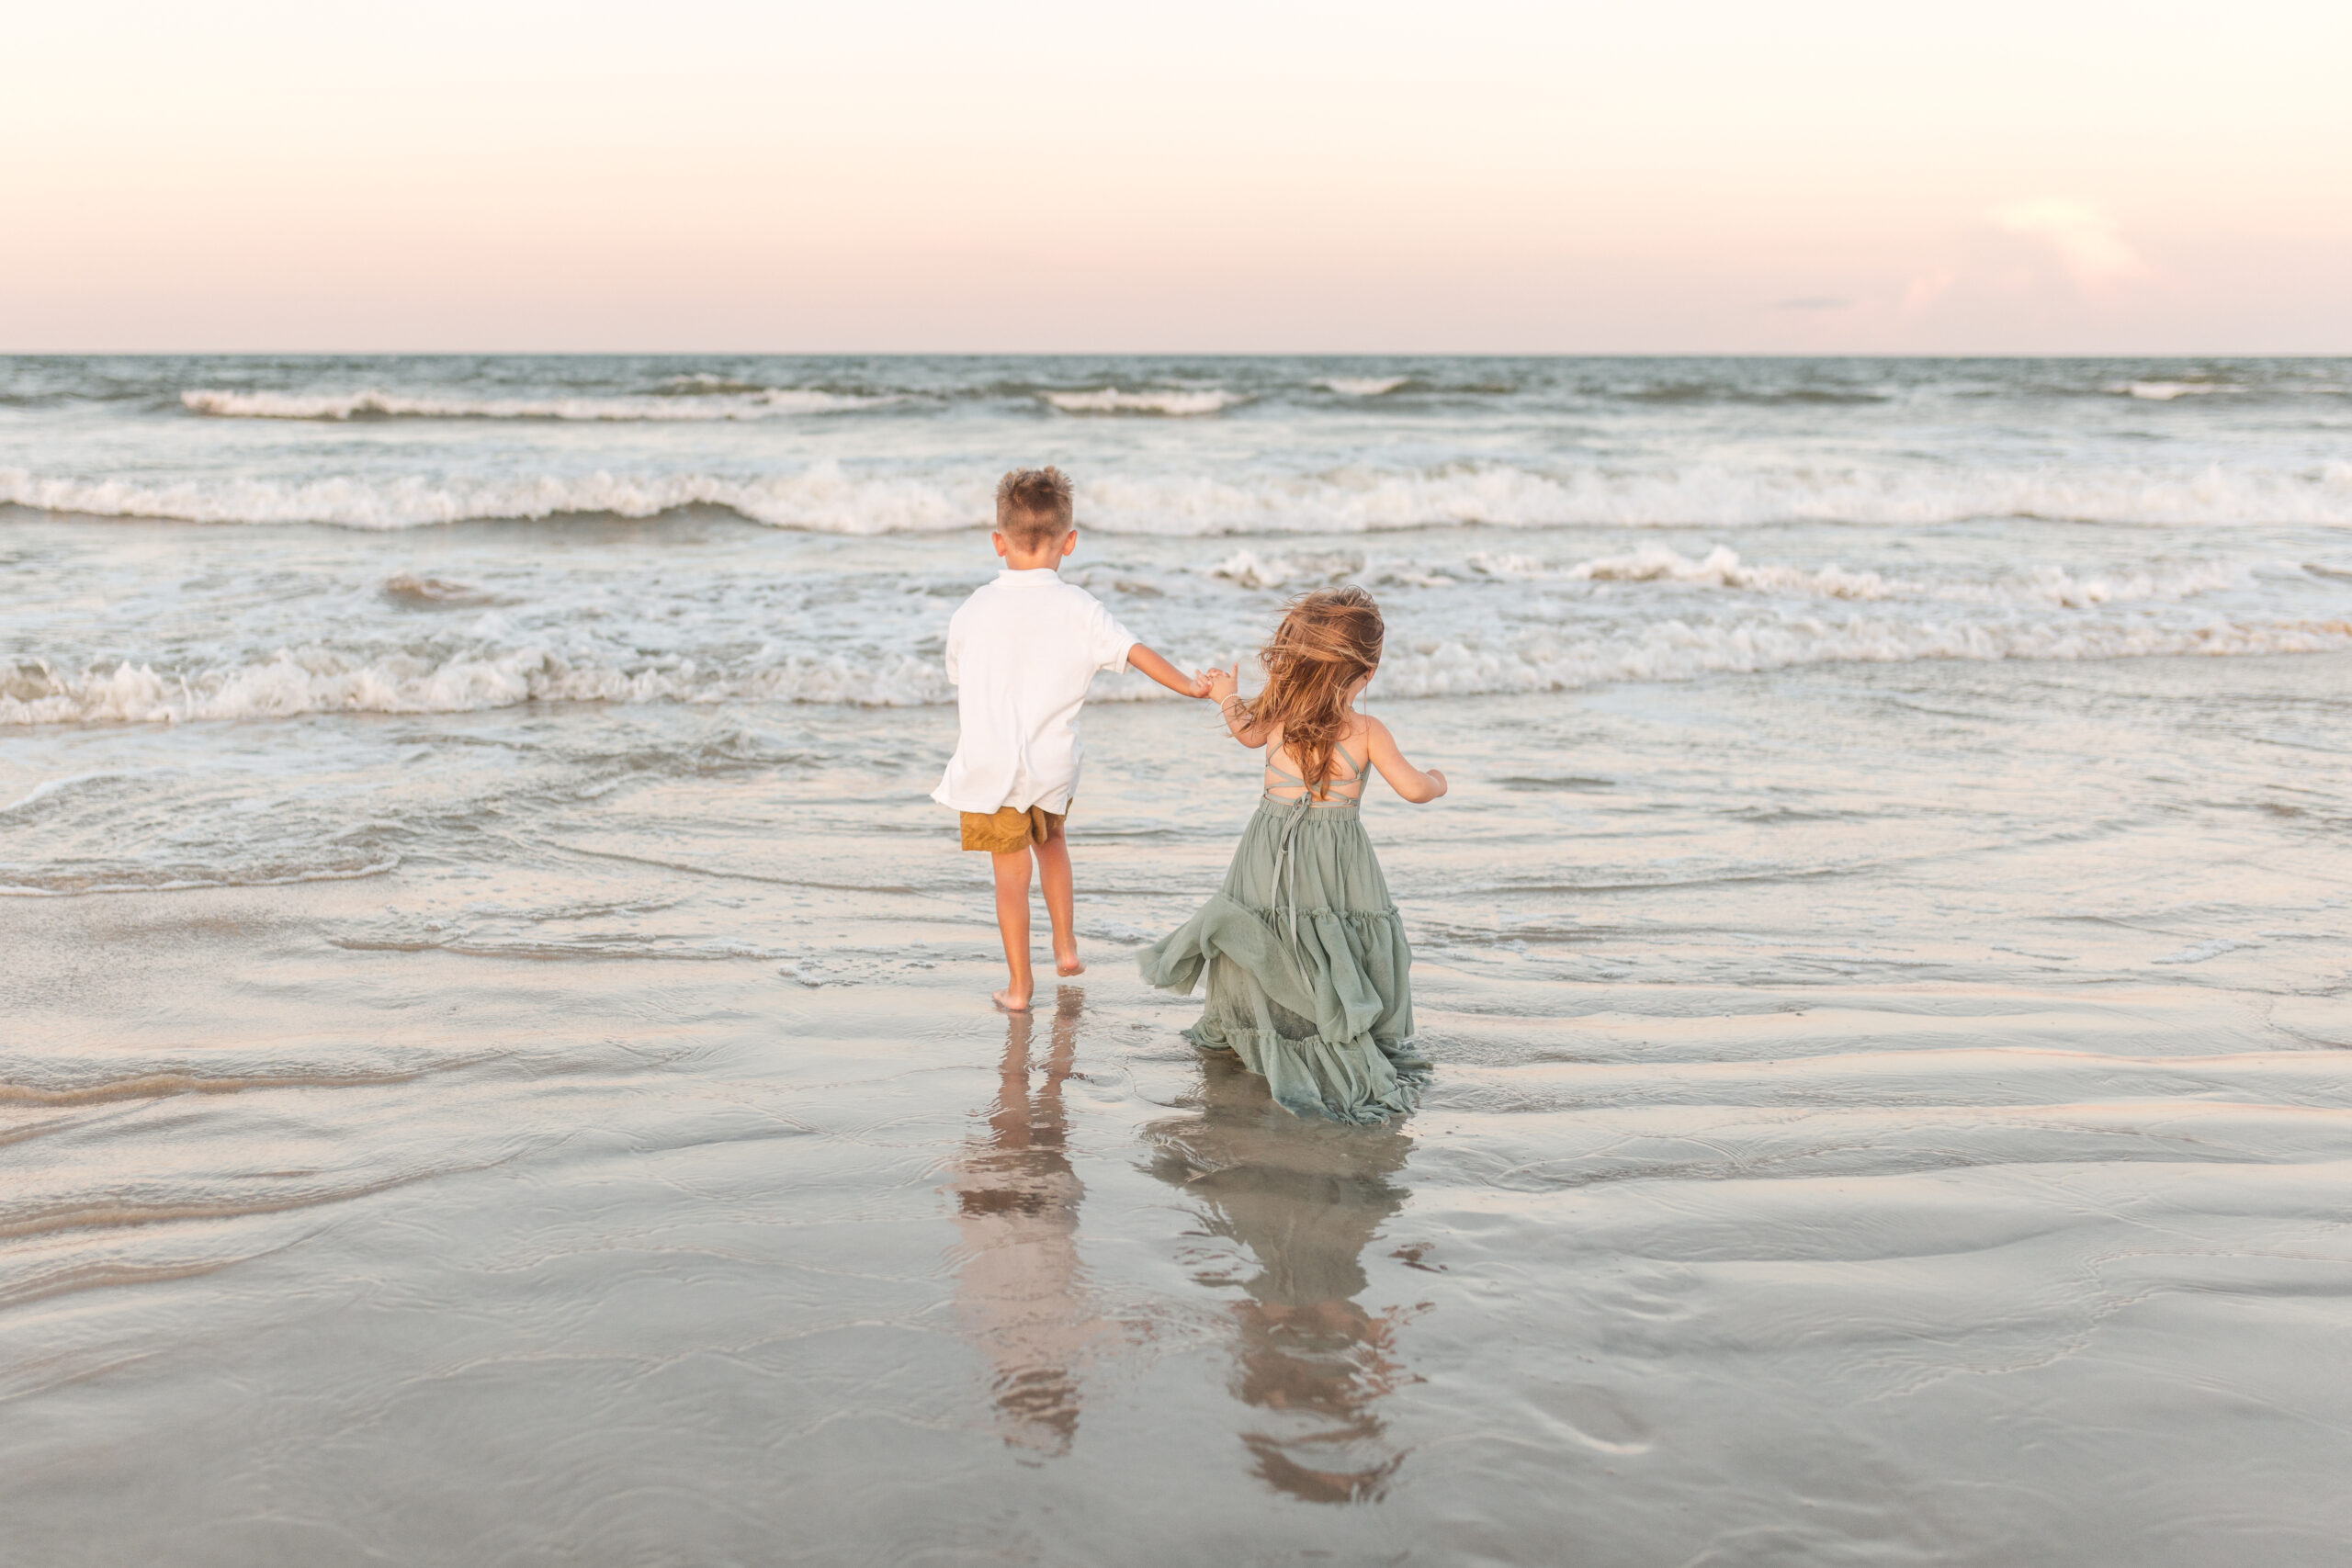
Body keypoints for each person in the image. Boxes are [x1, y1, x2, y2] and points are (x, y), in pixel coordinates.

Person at [1137, 586, 1443, 1123]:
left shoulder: (1276, 714)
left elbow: (1244, 732)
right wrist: (1438, 781)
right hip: (1336, 855)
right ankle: (1333, 1017)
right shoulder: (1369, 731)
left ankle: (1255, 1024)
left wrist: (1226, 694)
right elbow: (1414, 789)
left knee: (1265, 927)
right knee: (1335, 933)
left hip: (1268, 845)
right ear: (1366, 673)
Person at [933, 467, 1209, 1012]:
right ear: (1070, 542)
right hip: (1052, 766)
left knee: (1011, 879)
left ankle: (1019, 988)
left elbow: (958, 675)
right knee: (1052, 845)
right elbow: (1136, 651)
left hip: (991, 771)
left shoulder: (971, 610)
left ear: (997, 542)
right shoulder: (1082, 608)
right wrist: (1189, 686)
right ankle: (1065, 946)